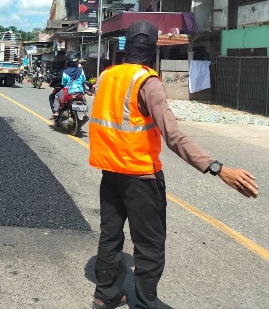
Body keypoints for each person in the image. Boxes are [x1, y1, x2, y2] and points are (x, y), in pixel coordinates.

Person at [88, 20, 259, 309]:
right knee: (150, 248)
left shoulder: (106, 77)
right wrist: (217, 167)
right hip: (141, 179)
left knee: (110, 235)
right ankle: (143, 304)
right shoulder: (147, 82)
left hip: (111, 174)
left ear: (125, 47)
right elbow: (174, 135)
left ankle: (106, 294)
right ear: (153, 49)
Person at [52, 52, 85, 117]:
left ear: (68, 62)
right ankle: (84, 113)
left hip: (68, 91)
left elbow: (63, 83)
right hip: (80, 91)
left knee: (56, 96)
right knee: (84, 99)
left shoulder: (65, 72)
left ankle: (56, 112)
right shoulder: (81, 70)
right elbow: (83, 80)